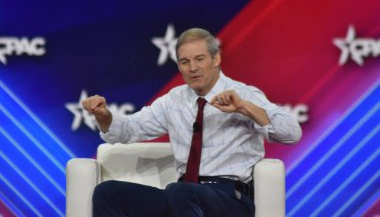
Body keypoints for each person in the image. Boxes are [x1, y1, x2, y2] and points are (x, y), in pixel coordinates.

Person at [82, 28, 302, 217]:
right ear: (179, 66)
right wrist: (104, 116)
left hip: (230, 199)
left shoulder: (244, 94)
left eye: (199, 59)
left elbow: (292, 133)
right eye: (185, 62)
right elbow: (130, 129)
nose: (193, 68)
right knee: (108, 192)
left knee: (180, 191)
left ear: (216, 59)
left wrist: (244, 107)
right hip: (183, 197)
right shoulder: (173, 100)